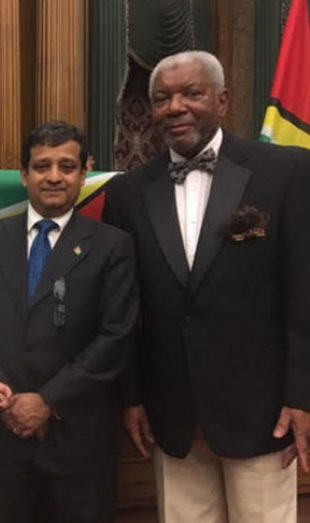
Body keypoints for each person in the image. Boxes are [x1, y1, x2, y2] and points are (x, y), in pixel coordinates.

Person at [103, 50, 310, 522]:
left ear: (222, 99)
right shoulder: (128, 192)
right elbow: (124, 306)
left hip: (263, 411)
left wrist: (303, 395)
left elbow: (304, 292)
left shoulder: (287, 172)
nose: (175, 107)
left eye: (191, 93)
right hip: (169, 412)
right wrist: (132, 395)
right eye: (162, 98)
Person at [0, 121, 138, 522]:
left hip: (79, 436)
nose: (54, 177)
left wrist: (47, 401)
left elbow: (117, 336)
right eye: (42, 166)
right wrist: (7, 399)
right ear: (23, 175)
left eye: (67, 166)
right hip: (2, 430)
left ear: (84, 173)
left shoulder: (113, 246)